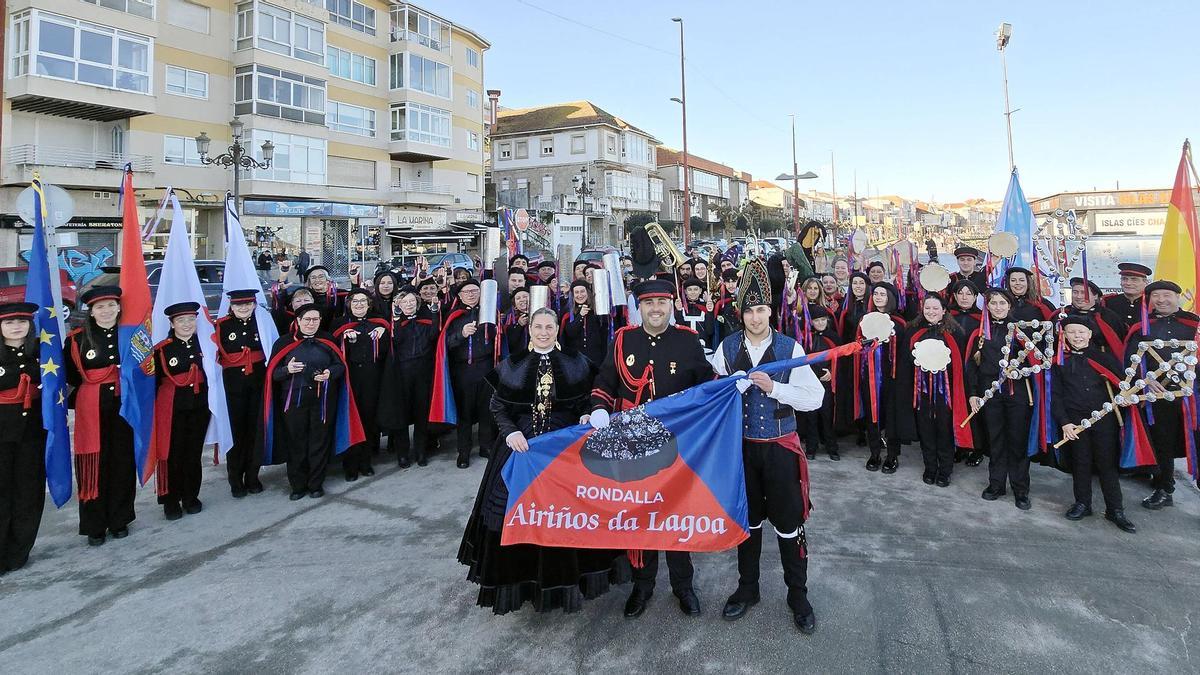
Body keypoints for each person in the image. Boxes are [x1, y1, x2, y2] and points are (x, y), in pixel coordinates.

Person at [458, 307, 627, 614]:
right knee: (516, 515)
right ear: (530, 329)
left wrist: (586, 414)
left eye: (550, 326)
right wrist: (509, 432)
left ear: (556, 330)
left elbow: (586, 401)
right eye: (539, 326)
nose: (544, 331)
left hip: (560, 453)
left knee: (564, 516)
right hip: (520, 449)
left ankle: (564, 585)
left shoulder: (576, 363)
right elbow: (498, 407)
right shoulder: (512, 364)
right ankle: (522, 583)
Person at [588, 278, 715, 619]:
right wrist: (600, 408)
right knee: (641, 516)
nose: (656, 309)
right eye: (648, 304)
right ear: (639, 306)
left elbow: (708, 386)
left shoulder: (688, 341)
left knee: (677, 515)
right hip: (633, 446)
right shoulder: (623, 339)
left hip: (677, 445)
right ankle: (642, 586)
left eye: (662, 303)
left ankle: (683, 586)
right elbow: (605, 380)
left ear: (671, 305)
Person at [711, 259, 825, 634]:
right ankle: (748, 589)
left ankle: (798, 595)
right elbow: (712, 400)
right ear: (740, 313)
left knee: (789, 525)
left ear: (771, 312)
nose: (756, 317)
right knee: (749, 523)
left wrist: (775, 388)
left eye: (762, 310)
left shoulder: (789, 347)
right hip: (742, 451)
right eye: (749, 310)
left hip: (779, 450)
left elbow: (815, 397)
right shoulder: (726, 349)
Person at [65, 287, 136, 546]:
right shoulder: (77, 339)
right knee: (93, 465)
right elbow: (71, 378)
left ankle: (120, 520)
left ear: (119, 307)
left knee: (122, 463)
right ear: (91, 312)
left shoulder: (129, 336)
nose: (106, 311)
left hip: (123, 409)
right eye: (100, 307)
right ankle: (94, 525)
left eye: (111, 305)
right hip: (91, 410)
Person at [1053, 316, 1136, 533]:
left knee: (1107, 465)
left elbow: (1122, 386)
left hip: (1103, 420)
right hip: (1076, 422)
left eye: (1081, 332)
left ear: (1090, 334)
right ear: (1065, 335)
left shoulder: (1104, 359)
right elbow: (1056, 396)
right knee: (1081, 463)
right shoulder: (1060, 361)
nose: (1077, 336)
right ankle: (1082, 503)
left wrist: (1125, 397)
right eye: (1072, 332)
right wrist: (1065, 423)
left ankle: (1115, 509)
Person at [263, 305, 356, 500]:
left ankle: (315, 484)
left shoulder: (327, 340)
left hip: (322, 400)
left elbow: (340, 365)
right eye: (307, 319)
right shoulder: (283, 343)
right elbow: (273, 374)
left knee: (319, 441)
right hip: (293, 402)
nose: (311, 323)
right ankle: (297, 485)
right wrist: (287, 370)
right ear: (297, 321)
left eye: (315, 319)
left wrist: (330, 373)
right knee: (296, 443)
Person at [1123, 280, 1199, 510]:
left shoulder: (1194, 325)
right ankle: (1165, 489)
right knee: (1162, 443)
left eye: (1167, 295)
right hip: (1159, 397)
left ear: (1178, 297)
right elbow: (1131, 360)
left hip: (1194, 397)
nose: (1162, 300)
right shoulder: (1142, 327)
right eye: (1156, 295)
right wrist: (1144, 380)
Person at [966, 289, 1033, 509]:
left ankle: (1020, 489)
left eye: (1002, 303)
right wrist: (974, 393)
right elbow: (972, 366)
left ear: (1009, 305)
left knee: (1017, 440)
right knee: (995, 439)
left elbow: (1035, 360)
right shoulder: (980, 333)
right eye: (993, 303)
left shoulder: (1021, 330)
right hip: (990, 393)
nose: (997, 307)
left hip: (1017, 392)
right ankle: (996, 484)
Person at [150, 302, 211, 521]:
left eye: (191, 320)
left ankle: (190, 496)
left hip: (198, 408)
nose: (187, 324)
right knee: (171, 454)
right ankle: (170, 500)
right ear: (172, 323)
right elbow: (154, 382)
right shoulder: (162, 349)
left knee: (193, 454)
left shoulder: (204, 345)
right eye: (181, 320)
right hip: (172, 409)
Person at [0, 302, 46, 572]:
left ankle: (19, 551)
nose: (16, 327)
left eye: (22, 322)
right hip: (2, 433)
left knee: (27, 492)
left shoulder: (42, 352)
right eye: (9, 323)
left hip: (32, 432)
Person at [906, 295, 970, 487]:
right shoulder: (914, 332)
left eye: (935, 308)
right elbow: (908, 360)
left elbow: (960, 365)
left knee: (944, 430)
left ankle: (945, 470)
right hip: (922, 390)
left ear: (944, 310)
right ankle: (930, 467)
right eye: (927, 308)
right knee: (925, 429)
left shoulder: (955, 333)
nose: (931, 312)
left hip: (946, 392)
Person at [441, 279, 499, 468]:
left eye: (475, 290)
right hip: (463, 370)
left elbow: (499, 339)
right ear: (459, 296)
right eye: (467, 292)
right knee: (464, 413)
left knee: (486, 410)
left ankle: (486, 446)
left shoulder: (490, 312)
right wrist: (462, 334)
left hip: (486, 367)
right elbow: (445, 344)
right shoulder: (453, 316)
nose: (472, 294)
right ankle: (463, 452)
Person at [214, 289, 267, 498]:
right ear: (231, 306)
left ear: (254, 304)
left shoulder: (261, 324)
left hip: (257, 385)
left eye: (247, 304)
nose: (243, 308)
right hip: (232, 388)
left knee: (255, 432)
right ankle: (235, 479)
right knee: (235, 433)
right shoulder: (222, 326)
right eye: (238, 305)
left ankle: (252, 476)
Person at [854, 282, 912, 473]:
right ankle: (875, 453)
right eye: (876, 294)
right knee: (872, 416)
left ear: (890, 298)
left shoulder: (900, 323)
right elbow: (858, 347)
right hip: (869, 377)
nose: (878, 297)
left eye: (883, 294)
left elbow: (904, 355)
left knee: (892, 416)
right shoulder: (865, 320)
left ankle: (892, 455)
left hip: (892, 378)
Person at [333, 290, 389, 480]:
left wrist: (385, 330)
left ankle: (365, 463)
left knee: (368, 422)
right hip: (349, 381)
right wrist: (343, 338)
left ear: (369, 304)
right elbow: (332, 349)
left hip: (372, 379)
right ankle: (350, 465)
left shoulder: (378, 323)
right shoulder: (339, 324)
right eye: (354, 301)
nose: (358, 305)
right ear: (348, 304)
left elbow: (387, 350)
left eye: (362, 301)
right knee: (350, 421)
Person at [380, 287, 438, 467]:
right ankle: (402, 453)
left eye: (412, 301)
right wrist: (397, 319)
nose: (409, 304)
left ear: (417, 303)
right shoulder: (395, 324)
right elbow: (396, 340)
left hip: (423, 372)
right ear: (398, 305)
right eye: (404, 302)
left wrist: (435, 313)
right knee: (401, 415)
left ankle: (421, 451)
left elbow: (434, 335)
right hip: (402, 374)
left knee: (422, 414)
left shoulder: (426, 320)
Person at [799, 305, 841, 461]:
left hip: (827, 381)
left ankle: (832, 447)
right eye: (817, 320)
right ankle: (811, 447)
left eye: (823, 320)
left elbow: (839, 357)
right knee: (811, 415)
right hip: (810, 381)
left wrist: (831, 372)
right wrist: (813, 375)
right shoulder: (805, 338)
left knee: (827, 414)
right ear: (811, 321)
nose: (821, 323)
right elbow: (803, 359)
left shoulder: (834, 337)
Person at [1057, 277, 1127, 354]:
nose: (1079, 296)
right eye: (1075, 292)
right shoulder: (1062, 314)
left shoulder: (1109, 317)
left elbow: (1119, 344)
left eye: (1084, 293)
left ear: (1095, 296)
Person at [560, 280, 607, 366]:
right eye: (576, 292)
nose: (580, 295)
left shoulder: (597, 312)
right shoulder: (568, 313)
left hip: (596, 357)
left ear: (588, 293)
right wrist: (580, 316)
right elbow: (571, 333)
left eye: (582, 291)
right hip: (576, 359)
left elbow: (603, 336)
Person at [1100, 262, 1152, 327]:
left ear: (1145, 282)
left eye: (1134, 280)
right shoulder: (1108, 302)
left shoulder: (1152, 303)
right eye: (1124, 279)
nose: (1128, 283)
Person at [675, 278, 718, 352]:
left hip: (704, 349)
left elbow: (710, 331)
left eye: (695, 289)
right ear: (685, 291)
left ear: (700, 291)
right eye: (690, 289)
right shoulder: (681, 307)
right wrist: (678, 312)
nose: (693, 292)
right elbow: (679, 331)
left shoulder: (706, 307)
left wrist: (709, 312)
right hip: (685, 349)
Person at [304, 265, 347, 330]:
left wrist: (354, 282)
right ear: (309, 283)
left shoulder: (340, 294)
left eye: (321, 277)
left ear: (328, 280)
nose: (317, 280)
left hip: (338, 331)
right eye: (313, 278)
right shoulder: (305, 298)